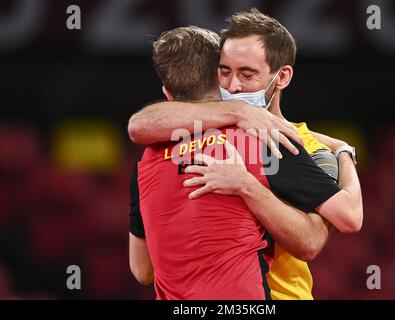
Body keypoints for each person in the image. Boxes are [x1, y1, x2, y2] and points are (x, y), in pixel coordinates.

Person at [129, 9, 363, 300]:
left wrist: (341, 151)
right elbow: (138, 125)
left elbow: (142, 271)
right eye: (225, 72)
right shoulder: (245, 137)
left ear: (282, 77)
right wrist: (239, 112)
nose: (234, 86)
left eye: (247, 74)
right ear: (214, 76)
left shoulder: (295, 144)